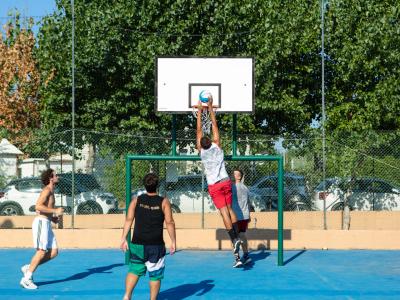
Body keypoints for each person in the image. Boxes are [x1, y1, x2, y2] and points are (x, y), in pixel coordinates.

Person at [196, 96, 242, 268]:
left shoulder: (201, 151)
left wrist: (200, 111)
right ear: (212, 141)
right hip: (225, 181)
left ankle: (234, 239)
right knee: (231, 210)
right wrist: (211, 108)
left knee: (224, 213)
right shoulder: (218, 146)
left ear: (201, 144)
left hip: (214, 185)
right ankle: (238, 239)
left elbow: (199, 129)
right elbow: (214, 126)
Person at [120, 173, 176, 300]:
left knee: (134, 270)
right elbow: (170, 222)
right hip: (155, 245)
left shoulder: (136, 200)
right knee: (155, 275)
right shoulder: (164, 202)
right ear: (157, 185)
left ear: (145, 185)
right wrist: (173, 241)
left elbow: (128, 220)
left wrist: (123, 238)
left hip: (137, 244)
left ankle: (127, 295)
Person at [20, 168, 64, 289]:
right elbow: (38, 206)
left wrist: (52, 218)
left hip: (46, 222)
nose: (58, 176)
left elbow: (45, 209)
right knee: (41, 251)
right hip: (41, 223)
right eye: (56, 175)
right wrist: (55, 211)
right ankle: (26, 279)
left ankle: (29, 267)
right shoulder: (47, 190)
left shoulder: (51, 191)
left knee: (54, 252)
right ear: (51, 178)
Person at [232, 169, 252, 265]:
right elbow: (249, 203)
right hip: (245, 215)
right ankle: (246, 255)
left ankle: (237, 259)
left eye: (235, 174)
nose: (233, 175)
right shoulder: (245, 188)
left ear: (239, 176)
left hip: (236, 216)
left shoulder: (232, 187)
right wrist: (249, 215)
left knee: (235, 237)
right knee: (242, 235)